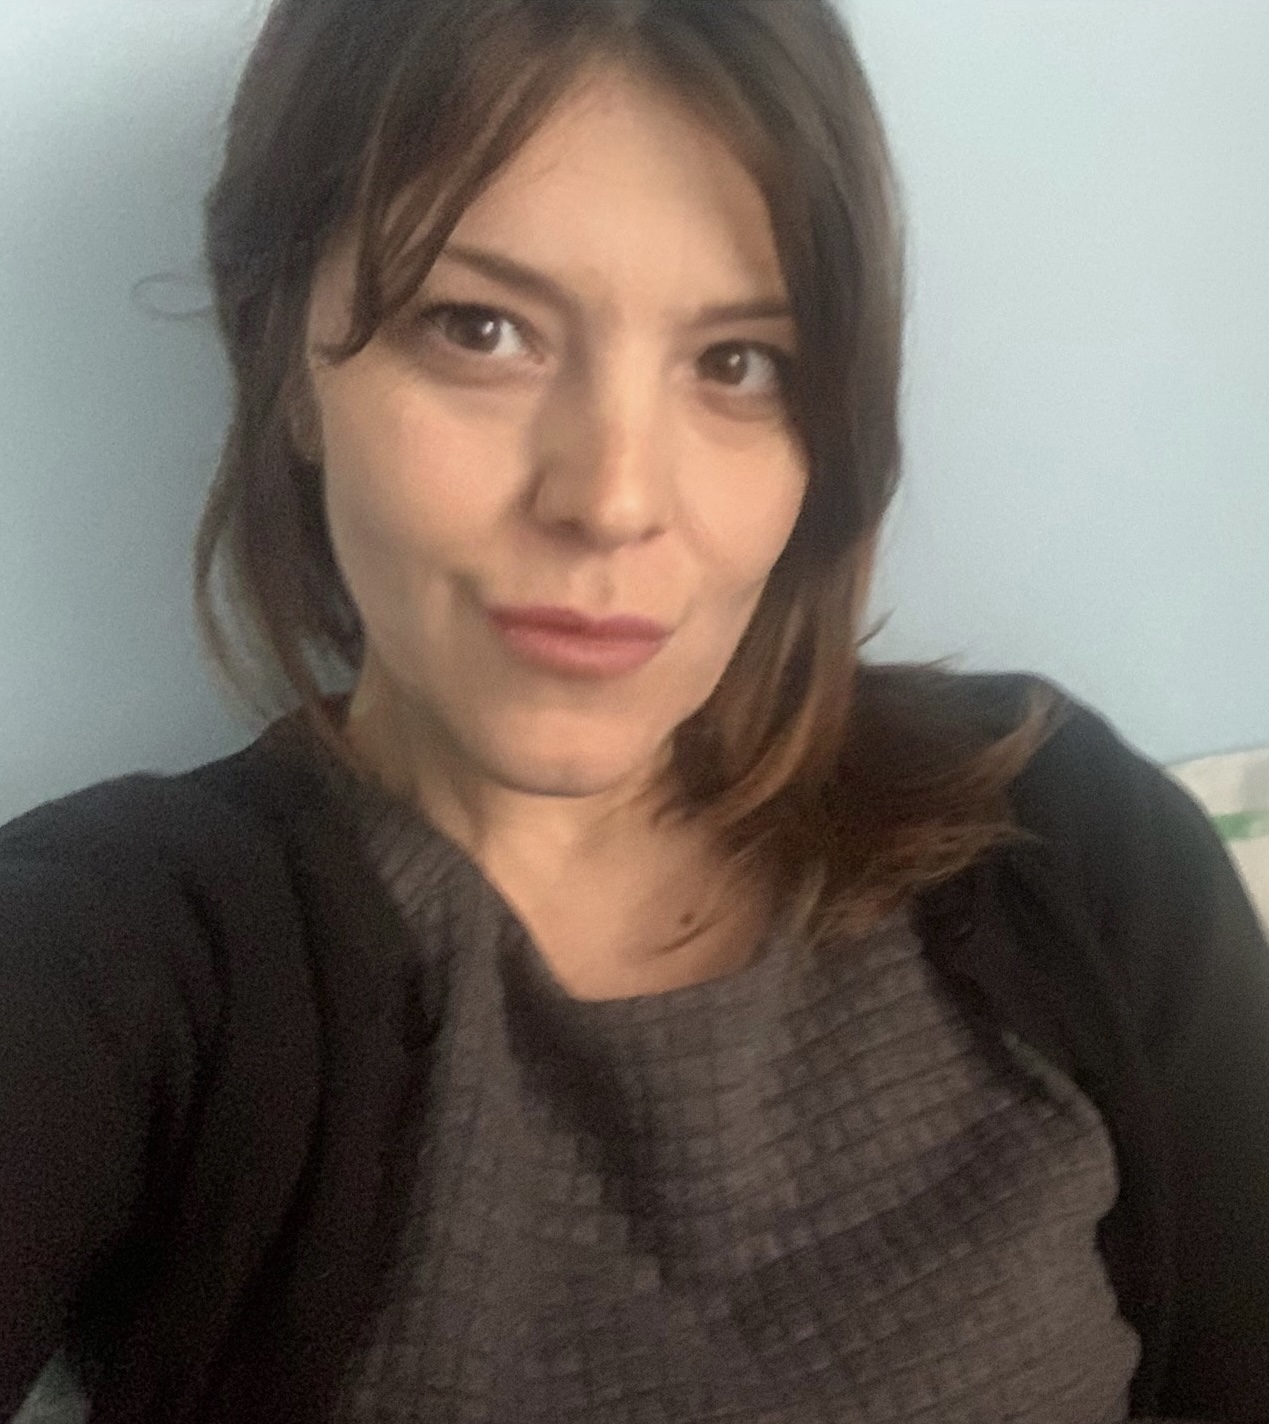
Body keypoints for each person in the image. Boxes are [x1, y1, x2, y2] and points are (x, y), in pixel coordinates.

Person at [1, 0, 1265, 1420]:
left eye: (738, 362)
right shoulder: (121, 959)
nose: (610, 498)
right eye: (480, 328)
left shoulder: (1059, 830)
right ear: (288, 362)